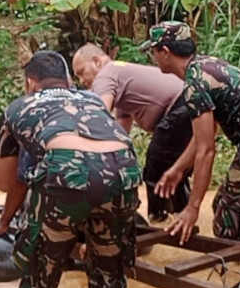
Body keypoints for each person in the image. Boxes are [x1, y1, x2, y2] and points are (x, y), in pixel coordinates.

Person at [0, 51, 141, 288]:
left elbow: (8, 182)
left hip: (65, 174)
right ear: (69, 82)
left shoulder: (17, 108)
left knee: (40, 273)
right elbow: (98, 158)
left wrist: (3, 220)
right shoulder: (93, 100)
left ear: (30, 83)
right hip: (124, 171)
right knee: (110, 268)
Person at [143, 21, 240, 243]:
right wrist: (178, 168)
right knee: (228, 207)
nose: (154, 57)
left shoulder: (195, 83)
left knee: (227, 222)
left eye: (154, 51)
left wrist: (192, 208)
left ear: (166, 52)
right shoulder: (205, 66)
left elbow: (206, 151)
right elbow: (206, 134)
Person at [72, 43, 193, 222]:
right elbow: (119, 131)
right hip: (189, 102)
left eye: (81, 72)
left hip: (180, 106)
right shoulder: (120, 75)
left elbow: (98, 117)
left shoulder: (105, 74)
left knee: (156, 166)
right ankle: (181, 213)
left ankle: (160, 218)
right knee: (171, 165)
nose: (82, 80)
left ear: (96, 62)